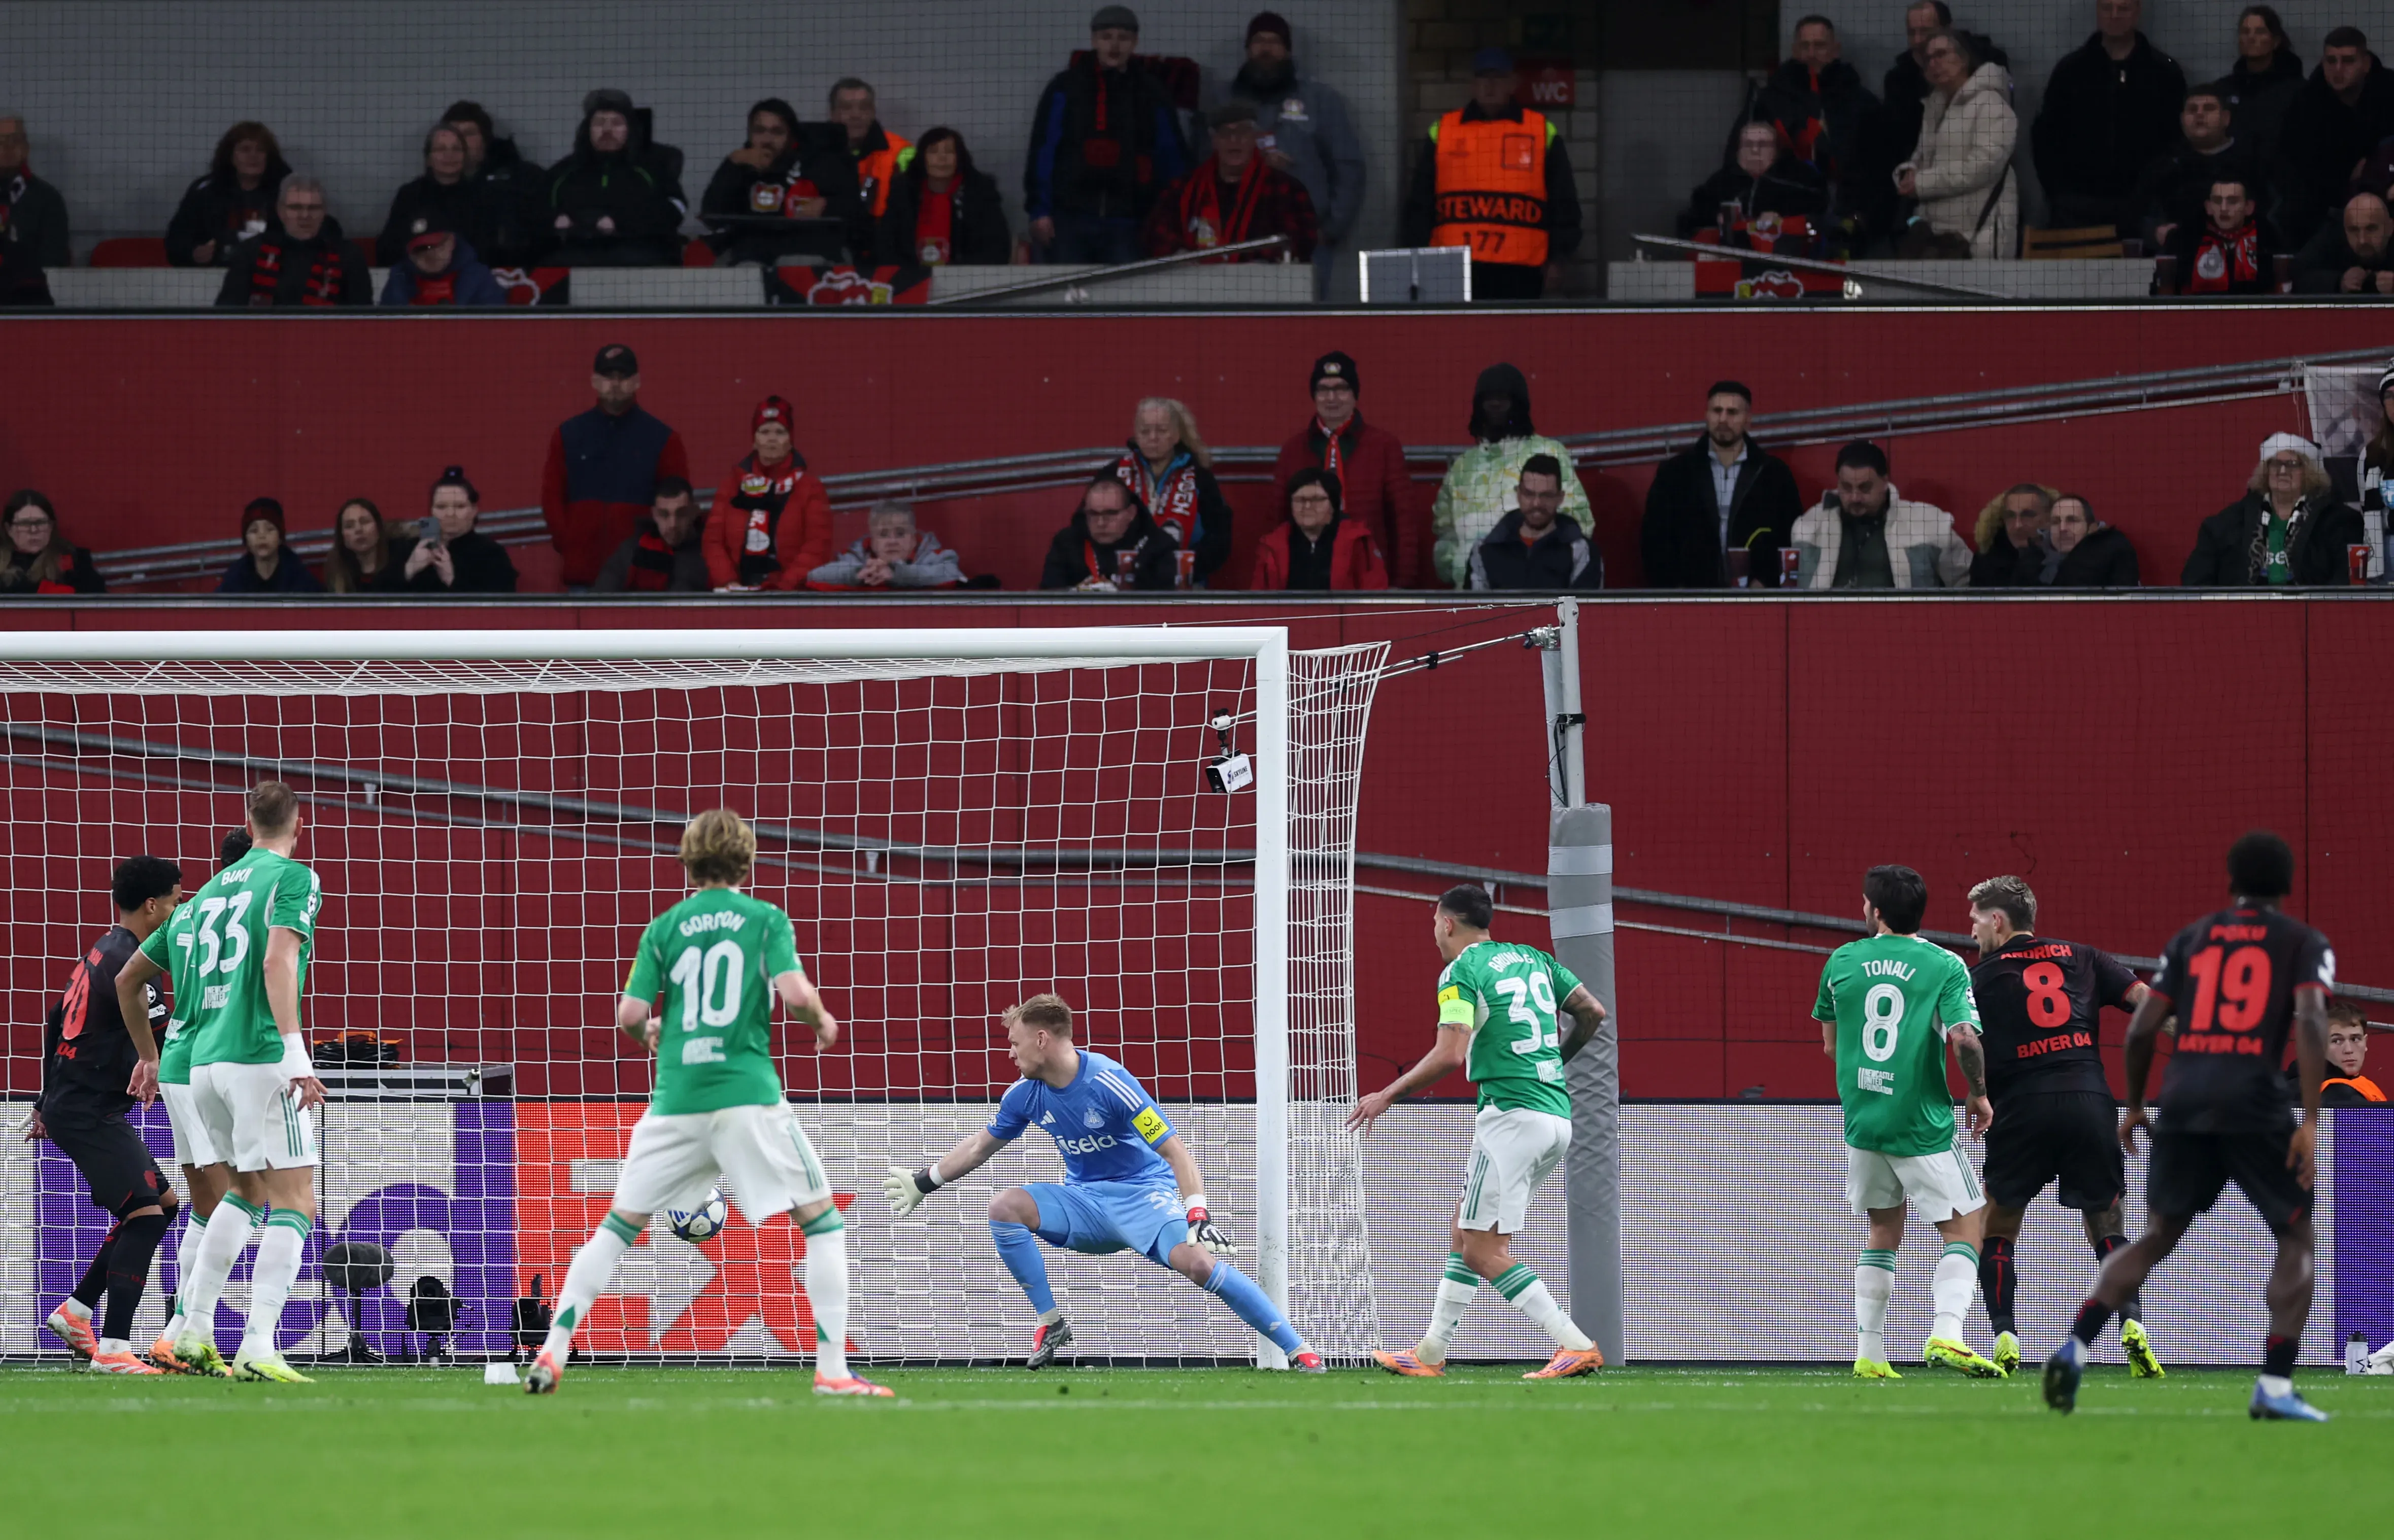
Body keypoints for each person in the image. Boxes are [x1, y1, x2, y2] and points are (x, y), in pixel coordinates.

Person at [529, 808, 886, 1397]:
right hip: (746, 1095)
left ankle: (553, 1348)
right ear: (747, 860)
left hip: (674, 1100)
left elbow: (629, 1014)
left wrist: (646, 1033)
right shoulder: (765, 918)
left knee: (616, 1229)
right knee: (822, 1222)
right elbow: (795, 992)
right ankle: (832, 1370)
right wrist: (821, 1020)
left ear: (688, 862)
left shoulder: (665, 926)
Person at [2043, 831, 2335, 1421]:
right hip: (2254, 1102)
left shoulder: (2192, 939)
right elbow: (2310, 1018)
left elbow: (2142, 1026)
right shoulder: (2302, 942)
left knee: (2155, 1237)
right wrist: (2307, 1116)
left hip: (2181, 1102)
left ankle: (2074, 1346)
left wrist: (2131, 1104)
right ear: (2287, 884)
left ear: (2229, 882)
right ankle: (2275, 1386)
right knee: (2296, 1237)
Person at [882, 992, 1327, 1374]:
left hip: (1143, 1197)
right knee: (1004, 1207)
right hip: (1085, 1203)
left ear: (1042, 1038)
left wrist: (1197, 1212)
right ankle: (1051, 1321)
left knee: (1200, 1265)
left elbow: (1176, 1152)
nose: (1011, 1053)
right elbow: (981, 1145)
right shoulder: (1024, 1094)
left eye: (1015, 1042)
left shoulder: (1111, 1081)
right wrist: (926, 1181)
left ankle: (1301, 1351)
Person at [1345, 884, 1609, 1379]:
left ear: (1447, 922)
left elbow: (1450, 1053)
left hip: (1510, 1116)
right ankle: (1428, 1352)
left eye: (1433, 923)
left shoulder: (1461, 971)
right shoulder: (1536, 959)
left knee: (1483, 1248)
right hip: (1555, 1114)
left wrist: (1386, 1094)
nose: (1434, 933)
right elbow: (1592, 1011)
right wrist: (1552, 1063)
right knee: (1463, 1232)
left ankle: (1573, 1343)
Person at [143, 781, 327, 1383]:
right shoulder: (293, 877)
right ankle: (258, 1342)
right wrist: (298, 1055)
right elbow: (278, 961)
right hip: (260, 1054)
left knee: (243, 1194)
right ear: (298, 824)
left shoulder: (204, 893)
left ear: (247, 826)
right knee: (296, 1198)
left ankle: (192, 1330)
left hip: (202, 1063)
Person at [1963, 875, 2164, 1380]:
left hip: (2021, 1107)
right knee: (2107, 1221)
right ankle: (2132, 1323)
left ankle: (2005, 1331)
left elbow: (1962, 1037)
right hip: (2087, 1101)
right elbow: (2148, 1002)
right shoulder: (2085, 956)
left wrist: (1977, 1090)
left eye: (1974, 920)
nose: (1971, 932)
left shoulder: (1979, 975)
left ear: (1997, 920)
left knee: (1998, 1226)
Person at [1812, 865, 2004, 1380]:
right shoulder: (1944, 964)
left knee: (1882, 1228)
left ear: (1874, 910)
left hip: (1862, 1120)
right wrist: (1979, 1094)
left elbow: (1831, 1044)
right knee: (1966, 1224)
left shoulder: (1840, 960)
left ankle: (1870, 1353)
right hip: (1919, 1121)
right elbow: (1964, 1037)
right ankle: (1947, 1330)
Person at [33, 855, 184, 1376]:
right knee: (145, 1214)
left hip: (76, 1103)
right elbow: (165, 1039)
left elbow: (55, 1018)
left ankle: (76, 1311)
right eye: (174, 900)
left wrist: (42, 1100)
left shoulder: (102, 947)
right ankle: (115, 1348)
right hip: (89, 1110)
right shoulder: (136, 966)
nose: (176, 909)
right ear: (152, 904)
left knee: (160, 1206)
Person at [124, 826, 253, 1372]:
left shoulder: (188, 912)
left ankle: (176, 1331)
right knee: (239, 1200)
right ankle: (184, 1330)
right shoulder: (256, 911)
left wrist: (149, 1055)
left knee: (206, 1206)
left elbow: (128, 979)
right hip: (217, 1066)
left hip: (177, 1062)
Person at [1401, 48, 1582, 299]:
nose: (1490, 86)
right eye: (1483, 78)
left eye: (1498, 78)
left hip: (1521, 271)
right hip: (1453, 267)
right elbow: (1420, 204)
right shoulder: (1444, 131)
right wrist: (1416, 258)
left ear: (1513, 83)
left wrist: (1559, 259)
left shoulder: (1541, 131)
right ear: (1472, 85)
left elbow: (1565, 203)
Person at [1216, 11, 1366, 299]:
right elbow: (1203, 161)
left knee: (1304, 326)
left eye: (1274, 41)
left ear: (1288, 49)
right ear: (1248, 49)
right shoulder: (1223, 99)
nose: (1266, 48)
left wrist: (1331, 228)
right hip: (1235, 239)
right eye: (1259, 41)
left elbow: (1349, 167)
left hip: (1306, 238)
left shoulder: (1321, 100)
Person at [1025, 6, 1191, 265]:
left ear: (1135, 42)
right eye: (1106, 37)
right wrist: (1040, 210)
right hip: (1069, 220)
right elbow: (1043, 152)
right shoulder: (1065, 87)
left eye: (1123, 38)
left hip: (1130, 222)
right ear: (1093, 41)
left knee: (1126, 301)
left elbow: (1171, 156)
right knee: (1067, 300)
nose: (1115, 45)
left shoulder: (1152, 93)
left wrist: (1173, 218)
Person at [542, 343, 692, 590]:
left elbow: (678, 506)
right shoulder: (568, 434)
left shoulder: (663, 439)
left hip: (642, 578)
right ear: (594, 381)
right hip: (582, 577)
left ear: (637, 382)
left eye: (623, 377)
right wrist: (568, 542)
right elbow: (552, 497)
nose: (615, 383)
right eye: (608, 376)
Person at [2031, 0, 2188, 231]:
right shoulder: (2070, 71)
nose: (2114, 15)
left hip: (2147, 211)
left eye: (2123, 8)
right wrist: (2059, 192)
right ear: (2097, 11)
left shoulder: (2164, 73)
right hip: (2076, 209)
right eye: (2107, 8)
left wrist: (2160, 189)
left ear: (2137, 12)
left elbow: (2179, 140)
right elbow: (2046, 136)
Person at [1430, 363, 1590, 588]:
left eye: (1503, 401)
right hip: (1475, 595)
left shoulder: (1550, 454)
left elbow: (1578, 526)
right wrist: (1461, 569)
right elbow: (1445, 534)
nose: (1495, 408)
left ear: (1518, 405)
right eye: (1489, 402)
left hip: (1543, 594)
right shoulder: (1463, 467)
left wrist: (1543, 570)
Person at [1731, 16, 1885, 245]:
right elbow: (1740, 158)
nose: (1811, 53)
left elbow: (1879, 166)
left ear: (1836, 50)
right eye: (1805, 46)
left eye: (1820, 45)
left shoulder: (1862, 103)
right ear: (1794, 50)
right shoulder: (1770, 100)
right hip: (1780, 216)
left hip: (1847, 218)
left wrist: (1864, 215)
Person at [1273, 352, 1418, 585]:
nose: (1332, 398)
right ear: (1314, 395)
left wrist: (1402, 583)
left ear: (1355, 395)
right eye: (1323, 389)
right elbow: (1276, 521)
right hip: (1306, 577)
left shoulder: (1383, 446)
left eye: (1341, 388)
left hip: (1369, 573)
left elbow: (1403, 520)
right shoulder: (1293, 450)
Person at [1640, 380, 1802, 587]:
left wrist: (1766, 580)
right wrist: (1676, 589)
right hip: (1690, 600)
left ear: (1748, 420)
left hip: (1756, 600)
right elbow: (1654, 539)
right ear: (1707, 415)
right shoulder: (1675, 473)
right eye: (1717, 411)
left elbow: (1792, 537)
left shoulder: (1774, 475)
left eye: (1732, 412)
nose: (1723, 419)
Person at [1143, 99, 1317, 263]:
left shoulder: (1286, 189)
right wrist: (1179, 255)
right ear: (1214, 141)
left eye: (1242, 132)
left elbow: (1302, 239)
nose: (1234, 141)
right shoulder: (1183, 189)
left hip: (1262, 288)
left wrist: (1263, 264)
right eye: (1225, 133)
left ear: (1255, 138)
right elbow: (1156, 233)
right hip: (1194, 286)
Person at [2182, 431, 2363, 585]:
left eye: (2293, 464)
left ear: (2310, 473)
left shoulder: (2343, 523)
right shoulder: (2226, 524)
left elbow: (2352, 584)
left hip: (2312, 620)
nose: (2283, 472)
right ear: (2265, 471)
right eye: (2275, 464)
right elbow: (2194, 582)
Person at [1896, 29, 2016, 258]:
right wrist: (1908, 173)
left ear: (1964, 59)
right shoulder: (1934, 106)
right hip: (1936, 235)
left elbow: (1983, 166)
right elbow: (1922, 155)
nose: (1934, 63)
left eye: (1941, 54)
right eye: (1928, 59)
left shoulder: (1991, 103)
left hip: (1978, 236)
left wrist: (1922, 182)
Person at [2271, 27, 2394, 248]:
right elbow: (2288, 161)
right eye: (2331, 61)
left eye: (2348, 61)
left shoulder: (2390, 91)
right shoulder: (2306, 102)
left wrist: (2374, 172)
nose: (2338, 69)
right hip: (2324, 201)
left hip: (2385, 191)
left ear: (2366, 64)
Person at [699, 98, 859, 267]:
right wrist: (731, 164)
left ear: (791, 136)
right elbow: (712, 217)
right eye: (760, 131)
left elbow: (856, 211)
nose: (767, 140)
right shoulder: (742, 165)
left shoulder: (820, 162)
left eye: (777, 132)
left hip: (806, 251)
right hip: (752, 255)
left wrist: (827, 205)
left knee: (794, 266)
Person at [1790, 440, 1970, 589]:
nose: (1855, 497)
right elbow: (1788, 592)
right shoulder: (1808, 526)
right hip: (1824, 628)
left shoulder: (1928, 523)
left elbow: (1968, 582)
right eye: (1846, 487)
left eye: (1865, 488)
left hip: (1907, 628)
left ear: (1885, 482)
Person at [541, 88, 685, 266]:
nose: (607, 130)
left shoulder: (653, 168)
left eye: (617, 123)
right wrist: (556, 220)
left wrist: (619, 222)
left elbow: (675, 209)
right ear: (588, 130)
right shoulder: (563, 171)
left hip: (640, 256)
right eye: (599, 123)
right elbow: (534, 210)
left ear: (629, 130)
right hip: (575, 256)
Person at [707, 395, 832, 593]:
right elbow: (713, 541)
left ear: (791, 440)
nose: (772, 438)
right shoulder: (732, 484)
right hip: (737, 591)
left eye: (780, 432)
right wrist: (729, 582)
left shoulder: (810, 487)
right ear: (754, 441)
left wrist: (784, 589)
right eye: (764, 432)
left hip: (792, 594)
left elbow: (818, 546)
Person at [2125, 85, 2262, 252]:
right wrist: (2154, 231)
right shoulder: (2163, 166)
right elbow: (2135, 217)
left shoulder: (2253, 163)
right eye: (2192, 110)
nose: (2199, 114)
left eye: (2209, 109)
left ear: (2226, 118)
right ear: (2182, 120)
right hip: (2175, 261)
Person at [1112, 398, 1232, 584]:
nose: (1153, 437)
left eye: (1161, 431)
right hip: (1122, 581)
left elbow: (1220, 538)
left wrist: (1186, 567)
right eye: (1145, 431)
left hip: (1186, 584)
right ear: (1136, 434)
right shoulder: (1115, 473)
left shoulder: (1200, 477)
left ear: (1176, 436)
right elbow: (1090, 526)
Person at [215, 178, 369, 309]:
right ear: (281, 211)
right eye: (296, 208)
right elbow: (228, 311)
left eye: (313, 208)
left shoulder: (349, 256)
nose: (305, 215)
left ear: (324, 212)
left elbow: (363, 318)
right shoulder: (251, 252)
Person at [877, 127, 1010, 267]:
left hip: (965, 279)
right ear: (923, 158)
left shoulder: (980, 192)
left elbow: (997, 250)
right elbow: (885, 246)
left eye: (949, 151)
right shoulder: (903, 192)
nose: (942, 158)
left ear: (959, 158)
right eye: (934, 152)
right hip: (909, 278)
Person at [1467, 456, 1602, 591]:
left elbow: (1585, 610)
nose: (1537, 504)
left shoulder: (1582, 551)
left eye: (1547, 495)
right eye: (1529, 494)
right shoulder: (1484, 550)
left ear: (1560, 498)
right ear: (1518, 494)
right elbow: (1473, 609)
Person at [1677, 119, 1830, 237]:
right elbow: (1691, 222)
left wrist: (1784, 220)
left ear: (1776, 151)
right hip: (1731, 259)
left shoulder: (1800, 178)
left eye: (1763, 145)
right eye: (1748, 145)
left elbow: (1821, 212)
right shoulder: (1719, 182)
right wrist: (1715, 221)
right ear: (1738, 151)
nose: (1755, 150)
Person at [166, 122, 289, 267]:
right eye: (245, 150)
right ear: (230, 155)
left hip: (272, 275)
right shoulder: (205, 192)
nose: (253, 156)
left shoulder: (288, 192)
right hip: (213, 276)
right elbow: (176, 240)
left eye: (261, 150)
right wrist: (193, 253)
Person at [376, 124, 496, 266]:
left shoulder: (482, 196)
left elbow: (490, 250)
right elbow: (388, 250)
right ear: (428, 159)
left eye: (456, 149)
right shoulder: (410, 195)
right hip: (417, 278)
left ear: (465, 157)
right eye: (441, 149)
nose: (449, 155)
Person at [1248, 469, 1388, 590]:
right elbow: (1259, 599)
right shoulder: (1272, 545)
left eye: (1316, 500)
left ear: (1334, 505)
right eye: (1300, 500)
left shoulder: (1358, 542)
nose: (1308, 507)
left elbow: (1375, 595)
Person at [1038, 474, 1176, 591]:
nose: (1101, 523)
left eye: (1111, 514)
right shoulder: (1066, 543)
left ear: (1131, 513)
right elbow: (1048, 595)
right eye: (1093, 514)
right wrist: (1076, 593)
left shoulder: (1160, 545)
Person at [440, 100, 537, 266]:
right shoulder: (421, 192)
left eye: (468, 133)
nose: (459, 140)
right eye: (453, 134)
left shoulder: (526, 181)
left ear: (485, 140)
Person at [830, 78, 913, 258]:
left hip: (890, 253)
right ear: (833, 114)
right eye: (847, 108)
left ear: (873, 113)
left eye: (864, 107)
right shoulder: (816, 153)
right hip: (832, 252)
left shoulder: (903, 151)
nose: (856, 115)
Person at [401, 466, 517, 594]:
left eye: (460, 506)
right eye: (441, 507)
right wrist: (409, 569)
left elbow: (502, 606)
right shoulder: (409, 549)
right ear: (432, 511)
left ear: (474, 511)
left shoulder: (492, 554)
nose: (450, 513)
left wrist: (451, 580)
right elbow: (378, 597)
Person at [2157, 177, 2278, 294]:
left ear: (2249, 207)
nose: (2224, 209)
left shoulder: (2267, 239)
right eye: (2218, 201)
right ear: (2208, 207)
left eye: (2232, 201)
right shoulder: (2186, 239)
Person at [806, 501, 965, 590]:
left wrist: (897, 573)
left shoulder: (933, 553)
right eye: (883, 535)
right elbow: (815, 575)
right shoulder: (857, 554)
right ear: (873, 539)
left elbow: (953, 573)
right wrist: (858, 573)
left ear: (913, 538)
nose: (892, 541)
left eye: (901, 533)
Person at [2225, 7, 2305, 182]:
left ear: (2276, 41)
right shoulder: (2224, 90)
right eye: (2245, 32)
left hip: (2283, 183)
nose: (2251, 38)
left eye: (2260, 32)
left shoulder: (2300, 91)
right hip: (2232, 182)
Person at [593, 477, 713, 593]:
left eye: (681, 514)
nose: (673, 524)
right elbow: (600, 600)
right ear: (654, 515)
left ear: (694, 512)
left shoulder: (713, 552)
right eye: (664, 514)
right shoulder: (632, 551)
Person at [378, 214, 506, 306]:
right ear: (409, 253)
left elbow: (493, 329)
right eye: (420, 250)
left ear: (451, 243)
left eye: (436, 247)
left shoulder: (479, 278)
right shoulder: (399, 278)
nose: (429, 255)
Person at [0, 488, 105, 595]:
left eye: (41, 522)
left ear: (51, 526)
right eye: (24, 524)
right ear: (9, 529)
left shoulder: (75, 560)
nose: (34, 530)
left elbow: (97, 602)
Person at [0, 112, 70, 270]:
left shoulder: (48, 200)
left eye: (15, 140)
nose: (7, 148)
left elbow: (53, 260)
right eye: (0, 142)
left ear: (26, 148)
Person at [2291, 188, 2394, 292]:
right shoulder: (2334, 234)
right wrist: (2339, 282)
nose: (2363, 240)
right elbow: (2298, 273)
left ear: (2390, 228)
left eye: (2371, 229)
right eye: (2354, 230)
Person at [216, 498, 323, 594]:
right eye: (254, 531)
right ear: (246, 541)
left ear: (280, 537)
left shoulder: (300, 578)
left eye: (270, 529)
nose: (262, 536)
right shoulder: (235, 579)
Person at [1969, 484, 2056, 587]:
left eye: (2028, 515)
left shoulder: (2067, 560)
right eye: (2011, 516)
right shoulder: (1985, 562)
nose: (2018, 525)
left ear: (2049, 519)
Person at [2045, 494, 2141, 586]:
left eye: (2073, 521)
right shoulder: (2038, 559)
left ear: (2092, 528)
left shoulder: (2112, 552)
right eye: (2055, 522)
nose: (2062, 529)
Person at [321, 497, 412, 594]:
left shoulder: (402, 553)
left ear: (378, 527)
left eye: (365, 522)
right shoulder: (336, 569)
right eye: (349, 526)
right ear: (342, 537)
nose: (359, 529)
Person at [2316, 1001, 2385, 1104]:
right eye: (2337, 1041)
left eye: (2355, 1039)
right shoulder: (2336, 1093)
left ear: (2365, 1042)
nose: (2348, 1050)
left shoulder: (2363, 1083)